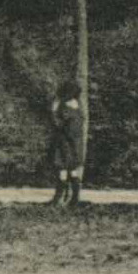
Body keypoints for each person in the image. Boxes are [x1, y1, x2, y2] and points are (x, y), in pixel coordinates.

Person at [47, 79, 87, 207]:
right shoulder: (78, 107)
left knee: (62, 171)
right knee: (73, 171)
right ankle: (74, 199)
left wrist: (53, 111)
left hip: (65, 144)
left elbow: (58, 125)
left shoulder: (65, 108)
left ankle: (57, 199)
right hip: (76, 144)